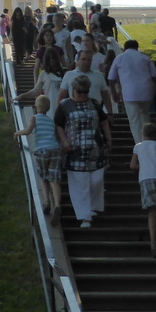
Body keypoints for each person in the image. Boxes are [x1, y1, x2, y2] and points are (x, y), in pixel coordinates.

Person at [55, 75, 112, 228]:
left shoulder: (93, 103)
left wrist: (109, 139)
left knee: (96, 180)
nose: (83, 95)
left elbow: (104, 121)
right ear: (74, 91)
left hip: (95, 148)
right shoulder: (64, 105)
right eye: (80, 92)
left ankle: (92, 206)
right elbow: (58, 125)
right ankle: (84, 217)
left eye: (86, 91)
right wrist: (64, 142)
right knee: (80, 185)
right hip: (74, 150)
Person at [13, 95, 64, 219]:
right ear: (48, 108)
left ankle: (46, 202)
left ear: (35, 107)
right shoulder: (51, 121)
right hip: (55, 150)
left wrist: (17, 133)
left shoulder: (34, 118)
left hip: (42, 150)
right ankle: (57, 204)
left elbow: (28, 131)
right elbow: (56, 136)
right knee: (54, 179)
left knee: (43, 177)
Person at [107, 40, 156, 144]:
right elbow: (155, 76)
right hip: (146, 91)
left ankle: (139, 143)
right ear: (137, 47)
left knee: (134, 120)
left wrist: (114, 93)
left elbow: (111, 78)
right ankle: (148, 140)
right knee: (144, 115)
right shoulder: (144, 57)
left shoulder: (120, 58)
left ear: (125, 48)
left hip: (129, 92)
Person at [131, 122, 156, 257]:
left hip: (145, 178)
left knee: (151, 210)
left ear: (143, 134)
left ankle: (153, 243)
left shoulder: (138, 147)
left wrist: (142, 166)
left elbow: (132, 166)